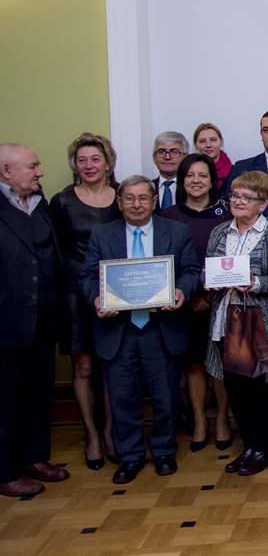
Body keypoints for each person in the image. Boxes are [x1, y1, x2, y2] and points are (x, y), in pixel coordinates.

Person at [81, 175, 201, 484]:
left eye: (143, 198)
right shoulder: (102, 234)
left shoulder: (176, 231)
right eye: (129, 198)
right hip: (118, 329)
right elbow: (87, 276)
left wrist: (181, 291)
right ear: (119, 202)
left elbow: (191, 270)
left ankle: (164, 451)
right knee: (123, 399)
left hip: (161, 327)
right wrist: (96, 298)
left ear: (154, 201)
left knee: (166, 397)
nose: (136, 204)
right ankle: (130, 455)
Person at [205, 171, 268, 476]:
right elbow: (208, 269)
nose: (238, 201)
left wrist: (256, 283)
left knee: (262, 391)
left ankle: (264, 448)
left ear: (263, 204)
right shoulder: (220, 232)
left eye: (246, 197)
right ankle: (249, 447)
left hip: (260, 324)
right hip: (225, 322)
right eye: (234, 195)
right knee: (236, 390)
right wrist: (209, 280)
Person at [0, 143, 69, 497]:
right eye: (32, 166)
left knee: (39, 390)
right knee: (6, 398)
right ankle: (5, 471)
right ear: (6, 171)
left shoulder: (40, 204)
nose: (40, 172)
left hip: (44, 315)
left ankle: (34, 457)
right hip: (7, 319)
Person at [49, 133, 122, 470]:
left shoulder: (121, 197)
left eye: (95, 159)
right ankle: (91, 434)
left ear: (108, 163)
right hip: (74, 293)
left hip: (114, 289)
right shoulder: (62, 202)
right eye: (82, 160)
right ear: (74, 166)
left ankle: (110, 432)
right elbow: (53, 250)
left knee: (110, 363)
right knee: (84, 365)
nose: (89, 165)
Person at [160, 153, 232, 453]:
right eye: (190, 175)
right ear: (181, 180)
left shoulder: (227, 215)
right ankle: (200, 420)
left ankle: (223, 419)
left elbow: (234, 261)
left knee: (220, 364)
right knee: (194, 363)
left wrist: (210, 296)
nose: (196, 181)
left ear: (213, 181)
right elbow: (162, 263)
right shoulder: (167, 216)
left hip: (221, 301)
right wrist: (188, 296)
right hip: (182, 304)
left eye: (203, 175)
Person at [151, 131, 189, 214]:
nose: (167, 157)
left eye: (174, 151)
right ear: (154, 158)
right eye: (161, 151)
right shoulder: (147, 189)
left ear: (186, 158)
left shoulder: (192, 188)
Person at [193, 122, 233, 192]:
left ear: (222, 142)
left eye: (213, 140)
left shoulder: (235, 172)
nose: (208, 145)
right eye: (202, 141)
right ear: (195, 145)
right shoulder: (190, 173)